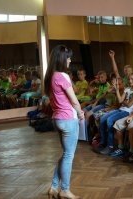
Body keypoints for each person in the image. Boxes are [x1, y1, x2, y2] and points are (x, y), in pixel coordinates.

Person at [45, 45, 84, 199]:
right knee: (68, 156)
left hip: (57, 119)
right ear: (62, 59)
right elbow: (74, 100)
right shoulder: (62, 76)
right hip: (68, 119)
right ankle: (65, 190)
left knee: (66, 155)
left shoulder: (50, 76)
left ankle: (54, 187)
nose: (69, 60)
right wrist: (81, 112)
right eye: (68, 57)